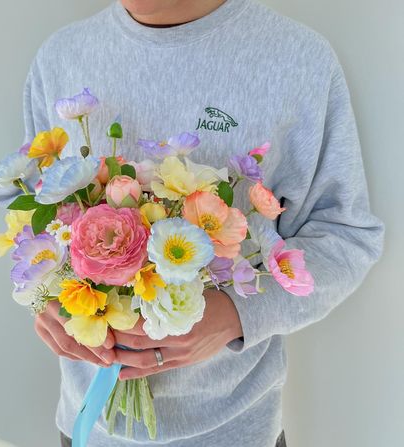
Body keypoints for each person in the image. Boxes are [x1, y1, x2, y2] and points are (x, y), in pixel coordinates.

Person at [25, 1, 385, 446]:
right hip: (84, 428)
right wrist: (46, 298)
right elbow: (33, 215)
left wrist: (238, 315)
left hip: (233, 432)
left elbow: (347, 236)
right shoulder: (60, 57)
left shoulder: (298, 60)